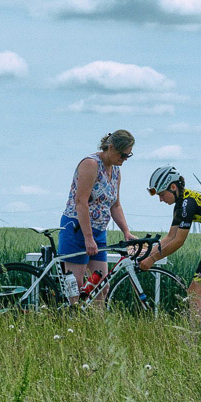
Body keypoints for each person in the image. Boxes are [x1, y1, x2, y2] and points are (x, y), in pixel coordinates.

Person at [140, 165, 201, 318]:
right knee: (196, 293)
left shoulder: (187, 202)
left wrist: (152, 259)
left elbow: (179, 241)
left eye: (162, 194)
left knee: (195, 293)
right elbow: (170, 237)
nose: (160, 199)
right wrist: (147, 255)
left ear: (173, 187)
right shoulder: (181, 204)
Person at [59, 130, 136, 304]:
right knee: (76, 287)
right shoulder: (91, 164)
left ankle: (95, 326)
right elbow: (81, 201)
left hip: (99, 230)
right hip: (78, 228)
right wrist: (88, 237)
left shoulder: (116, 171)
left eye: (128, 156)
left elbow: (115, 205)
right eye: (122, 155)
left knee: (102, 285)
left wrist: (126, 231)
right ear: (110, 147)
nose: (124, 160)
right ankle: (73, 324)